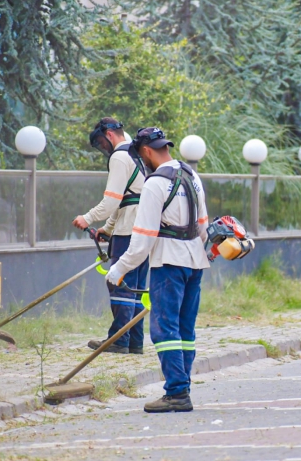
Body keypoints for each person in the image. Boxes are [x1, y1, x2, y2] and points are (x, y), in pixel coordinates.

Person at [105, 127, 210, 413]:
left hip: (169, 262)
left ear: (146, 152)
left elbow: (143, 239)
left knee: (165, 330)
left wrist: (118, 269)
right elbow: (203, 226)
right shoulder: (192, 175)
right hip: (195, 263)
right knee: (185, 329)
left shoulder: (154, 183)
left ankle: (176, 392)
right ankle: (182, 387)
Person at [72, 117, 149, 354]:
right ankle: (134, 341)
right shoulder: (138, 154)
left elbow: (112, 200)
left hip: (129, 231)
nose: (102, 149)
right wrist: (108, 228)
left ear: (109, 133)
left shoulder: (119, 156)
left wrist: (87, 218)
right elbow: (128, 199)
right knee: (135, 287)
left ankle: (118, 340)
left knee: (119, 283)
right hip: (145, 229)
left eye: (100, 143)